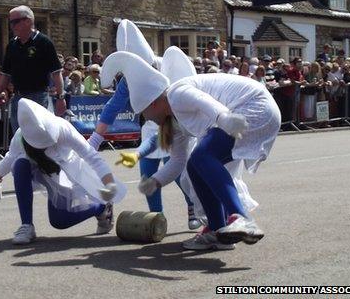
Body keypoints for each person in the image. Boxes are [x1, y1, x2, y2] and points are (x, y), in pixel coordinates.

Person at [101, 51, 281, 250]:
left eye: (145, 114)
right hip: (248, 113)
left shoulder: (176, 93)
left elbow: (204, 101)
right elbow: (178, 161)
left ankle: (241, 217)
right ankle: (217, 230)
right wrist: (155, 182)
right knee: (194, 165)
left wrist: (224, 119)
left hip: (254, 106)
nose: (147, 119)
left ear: (152, 103)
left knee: (203, 156)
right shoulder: (175, 122)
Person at [89, 20, 199, 230]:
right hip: (152, 127)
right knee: (147, 176)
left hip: (176, 125)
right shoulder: (128, 80)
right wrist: (95, 140)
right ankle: (157, 218)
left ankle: (193, 207)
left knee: (179, 172)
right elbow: (113, 107)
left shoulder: (168, 66)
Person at [0, 99, 126, 244]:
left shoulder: (64, 128)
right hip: (38, 168)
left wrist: (109, 184)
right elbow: (11, 156)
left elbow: (92, 157)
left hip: (62, 171)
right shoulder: (20, 136)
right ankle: (26, 225)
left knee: (59, 221)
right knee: (20, 164)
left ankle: (101, 207)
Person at [0, 5, 66, 131]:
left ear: (28, 21)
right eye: (10, 22)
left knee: (36, 135)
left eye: (15, 22)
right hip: (18, 97)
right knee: (18, 136)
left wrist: (60, 98)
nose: (12, 26)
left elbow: (56, 73)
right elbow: (6, 75)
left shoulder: (44, 42)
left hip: (38, 96)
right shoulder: (12, 45)